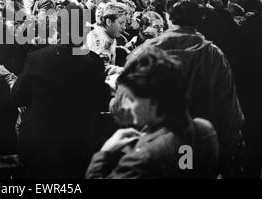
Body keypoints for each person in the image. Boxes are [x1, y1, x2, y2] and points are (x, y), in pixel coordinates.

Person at [111, 0, 244, 178]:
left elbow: (121, 110)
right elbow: (231, 117)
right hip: (198, 155)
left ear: (167, 16)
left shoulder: (143, 53)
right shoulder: (214, 56)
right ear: (200, 18)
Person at [86, 47, 219, 179]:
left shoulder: (141, 159)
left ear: (153, 103)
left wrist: (105, 152)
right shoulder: (207, 130)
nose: (127, 106)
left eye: (132, 100)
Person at [11, 3, 111, 178]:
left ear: (58, 28)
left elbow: (17, 97)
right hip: (77, 146)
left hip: (38, 144)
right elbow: (102, 101)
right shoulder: (94, 62)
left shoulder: (38, 57)